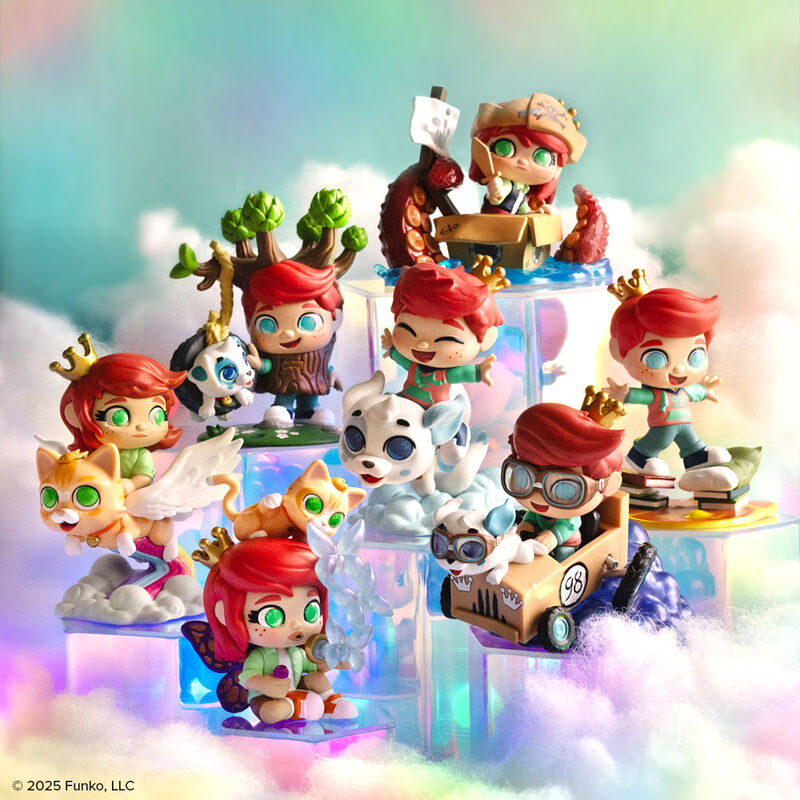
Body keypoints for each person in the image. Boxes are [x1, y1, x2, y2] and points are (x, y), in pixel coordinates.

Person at [204, 537, 356, 723]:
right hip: (266, 698)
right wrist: (265, 684)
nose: (297, 625)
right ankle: (295, 709)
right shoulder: (259, 656)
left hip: (295, 691)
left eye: (311, 612)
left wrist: (335, 661)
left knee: (317, 677)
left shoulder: (297, 653)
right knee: (273, 712)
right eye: (271, 616)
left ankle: (329, 704)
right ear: (225, 613)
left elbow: (316, 666)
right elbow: (246, 678)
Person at [502, 403, 623, 561]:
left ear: (608, 485)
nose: (538, 496)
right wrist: (527, 524)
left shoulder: (569, 517)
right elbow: (532, 514)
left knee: (559, 558)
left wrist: (554, 536)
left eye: (565, 488)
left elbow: (569, 526)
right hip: (537, 539)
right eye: (522, 477)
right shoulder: (538, 507)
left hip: (565, 544)